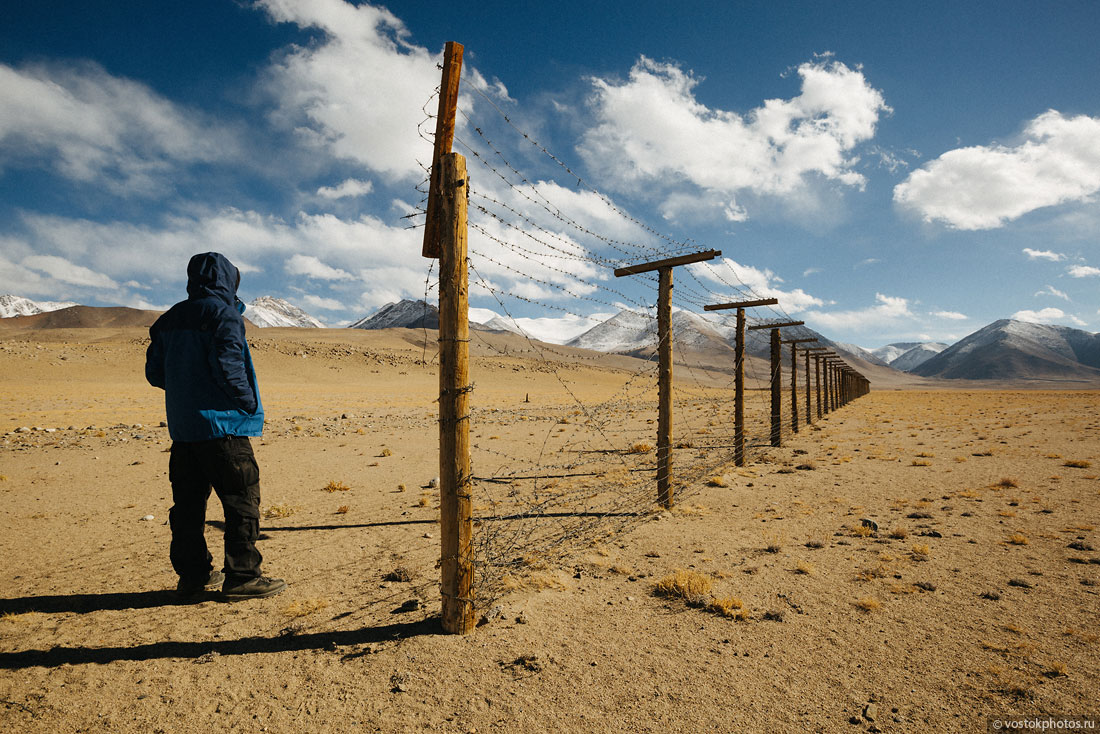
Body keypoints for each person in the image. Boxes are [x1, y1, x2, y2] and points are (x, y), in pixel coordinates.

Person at [145, 252, 286, 601]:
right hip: (225, 428)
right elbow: (228, 366)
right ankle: (242, 577)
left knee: (188, 508)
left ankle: (193, 577)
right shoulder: (223, 314)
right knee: (241, 502)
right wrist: (247, 403)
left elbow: (154, 374)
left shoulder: (167, 320)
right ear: (228, 279)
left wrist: (186, 389)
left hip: (184, 431)